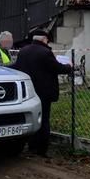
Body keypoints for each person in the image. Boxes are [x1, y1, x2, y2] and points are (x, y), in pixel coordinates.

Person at [14, 29, 72, 157]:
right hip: (44, 92)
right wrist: (69, 66)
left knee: (32, 118)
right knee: (44, 120)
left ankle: (31, 145)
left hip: (28, 92)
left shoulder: (23, 51)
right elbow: (57, 68)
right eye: (47, 40)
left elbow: (16, 66)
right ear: (44, 40)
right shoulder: (45, 52)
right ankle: (42, 149)